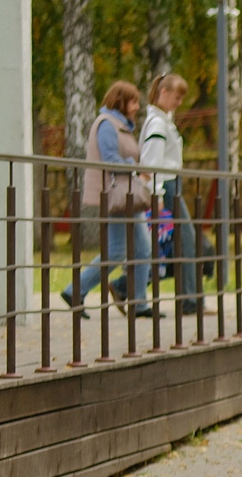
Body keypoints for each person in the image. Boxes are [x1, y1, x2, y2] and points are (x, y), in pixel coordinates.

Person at [61, 81, 152, 317]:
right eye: (133, 101)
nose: (136, 106)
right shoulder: (107, 125)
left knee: (142, 249)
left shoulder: (121, 126)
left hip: (127, 195)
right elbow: (110, 160)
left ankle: (139, 303)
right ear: (120, 101)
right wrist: (136, 166)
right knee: (117, 251)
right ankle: (75, 290)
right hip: (117, 196)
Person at [140, 74, 203, 316]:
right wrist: (155, 194)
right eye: (177, 97)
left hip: (168, 185)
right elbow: (152, 161)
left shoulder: (162, 121)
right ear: (163, 92)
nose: (179, 102)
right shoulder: (157, 124)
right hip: (166, 187)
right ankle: (189, 300)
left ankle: (126, 286)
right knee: (185, 240)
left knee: (169, 242)